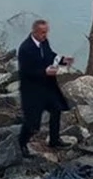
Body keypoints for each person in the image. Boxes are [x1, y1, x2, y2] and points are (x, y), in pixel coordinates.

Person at [17, 19, 73, 156]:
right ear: (34, 32)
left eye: (46, 32)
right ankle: (21, 144)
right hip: (32, 90)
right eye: (42, 33)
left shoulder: (44, 42)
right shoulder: (25, 48)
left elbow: (50, 55)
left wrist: (62, 60)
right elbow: (25, 71)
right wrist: (44, 72)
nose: (45, 35)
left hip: (47, 87)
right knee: (32, 122)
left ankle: (54, 140)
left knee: (56, 109)